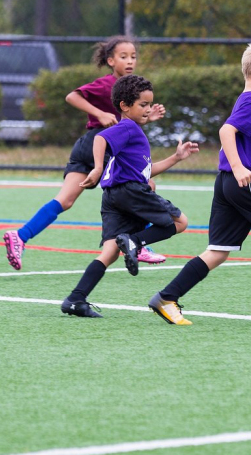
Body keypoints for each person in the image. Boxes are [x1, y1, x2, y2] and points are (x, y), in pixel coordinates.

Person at [147, 42, 251, 326]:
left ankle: (166, 297)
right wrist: (239, 167)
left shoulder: (246, 100)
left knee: (218, 252)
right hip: (244, 183)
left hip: (226, 184)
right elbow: (226, 131)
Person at [3, 36, 167, 270]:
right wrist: (98, 113)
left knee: (65, 200)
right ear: (111, 60)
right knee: (145, 185)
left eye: (133, 56)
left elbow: (125, 125)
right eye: (123, 57)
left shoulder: (130, 90)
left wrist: (147, 118)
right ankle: (139, 245)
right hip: (98, 145)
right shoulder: (106, 84)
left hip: (87, 146)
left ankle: (20, 236)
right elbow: (72, 96)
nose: (130, 61)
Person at [61, 74, 199, 318]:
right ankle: (135, 242)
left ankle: (76, 299)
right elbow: (101, 137)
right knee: (181, 222)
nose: (147, 110)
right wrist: (96, 167)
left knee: (110, 251)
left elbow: (148, 170)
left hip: (113, 197)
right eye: (143, 105)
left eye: (149, 105)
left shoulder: (133, 131)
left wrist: (176, 158)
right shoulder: (126, 128)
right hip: (131, 192)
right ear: (125, 106)